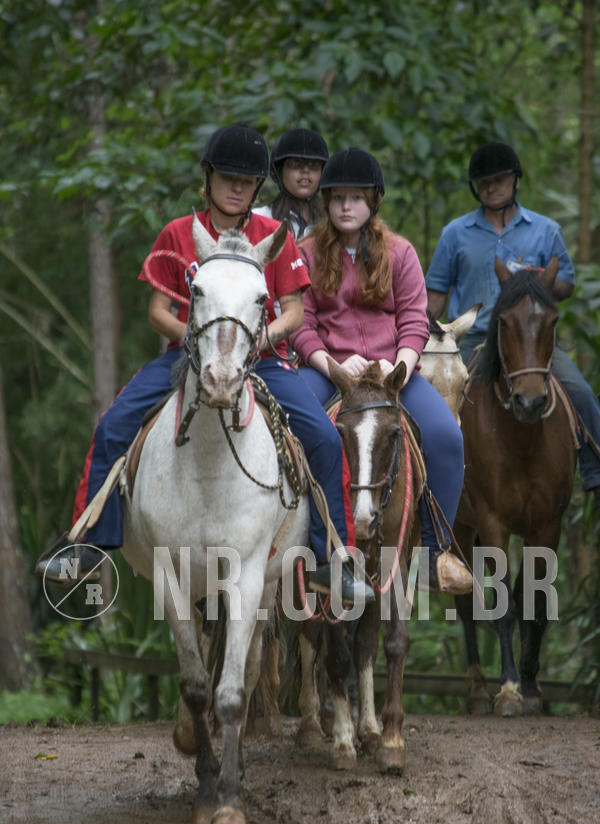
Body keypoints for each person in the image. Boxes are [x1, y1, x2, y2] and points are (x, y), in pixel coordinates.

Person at [38, 124, 373, 604]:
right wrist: (201, 342)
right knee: (113, 425)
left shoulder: (273, 237)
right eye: (228, 177)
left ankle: (333, 559)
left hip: (263, 361)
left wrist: (256, 339)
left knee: (322, 437)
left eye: (246, 179)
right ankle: (89, 545)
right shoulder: (179, 233)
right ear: (208, 177)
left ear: (258, 184)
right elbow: (157, 312)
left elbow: (295, 311)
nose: (237, 187)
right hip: (187, 358)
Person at [289, 147, 472, 594]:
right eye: (337, 199)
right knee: (290, 429)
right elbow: (300, 322)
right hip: (329, 369)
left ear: (373, 201)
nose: (346, 206)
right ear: (327, 203)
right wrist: (329, 362)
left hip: (393, 373)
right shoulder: (306, 251)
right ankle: (309, 549)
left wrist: (403, 364)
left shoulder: (401, 253)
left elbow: (414, 318)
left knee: (447, 436)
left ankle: (435, 554)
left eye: (356, 197)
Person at [426, 140, 600, 505]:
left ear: (516, 181)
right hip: (474, 339)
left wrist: (539, 280)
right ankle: (429, 483)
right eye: (484, 182)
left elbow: (565, 283)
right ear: (476, 186)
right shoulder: (455, 234)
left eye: (500, 180)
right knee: (436, 401)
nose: (492, 187)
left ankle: (594, 470)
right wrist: (425, 329)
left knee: (580, 391)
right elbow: (436, 295)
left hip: (529, 339)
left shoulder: (546, 230)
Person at [254, 127, 329, 240]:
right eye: (295, 164)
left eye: (314, 165)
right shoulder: (259, 219)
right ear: (279, 171)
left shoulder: (332, 222)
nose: (305, 171)